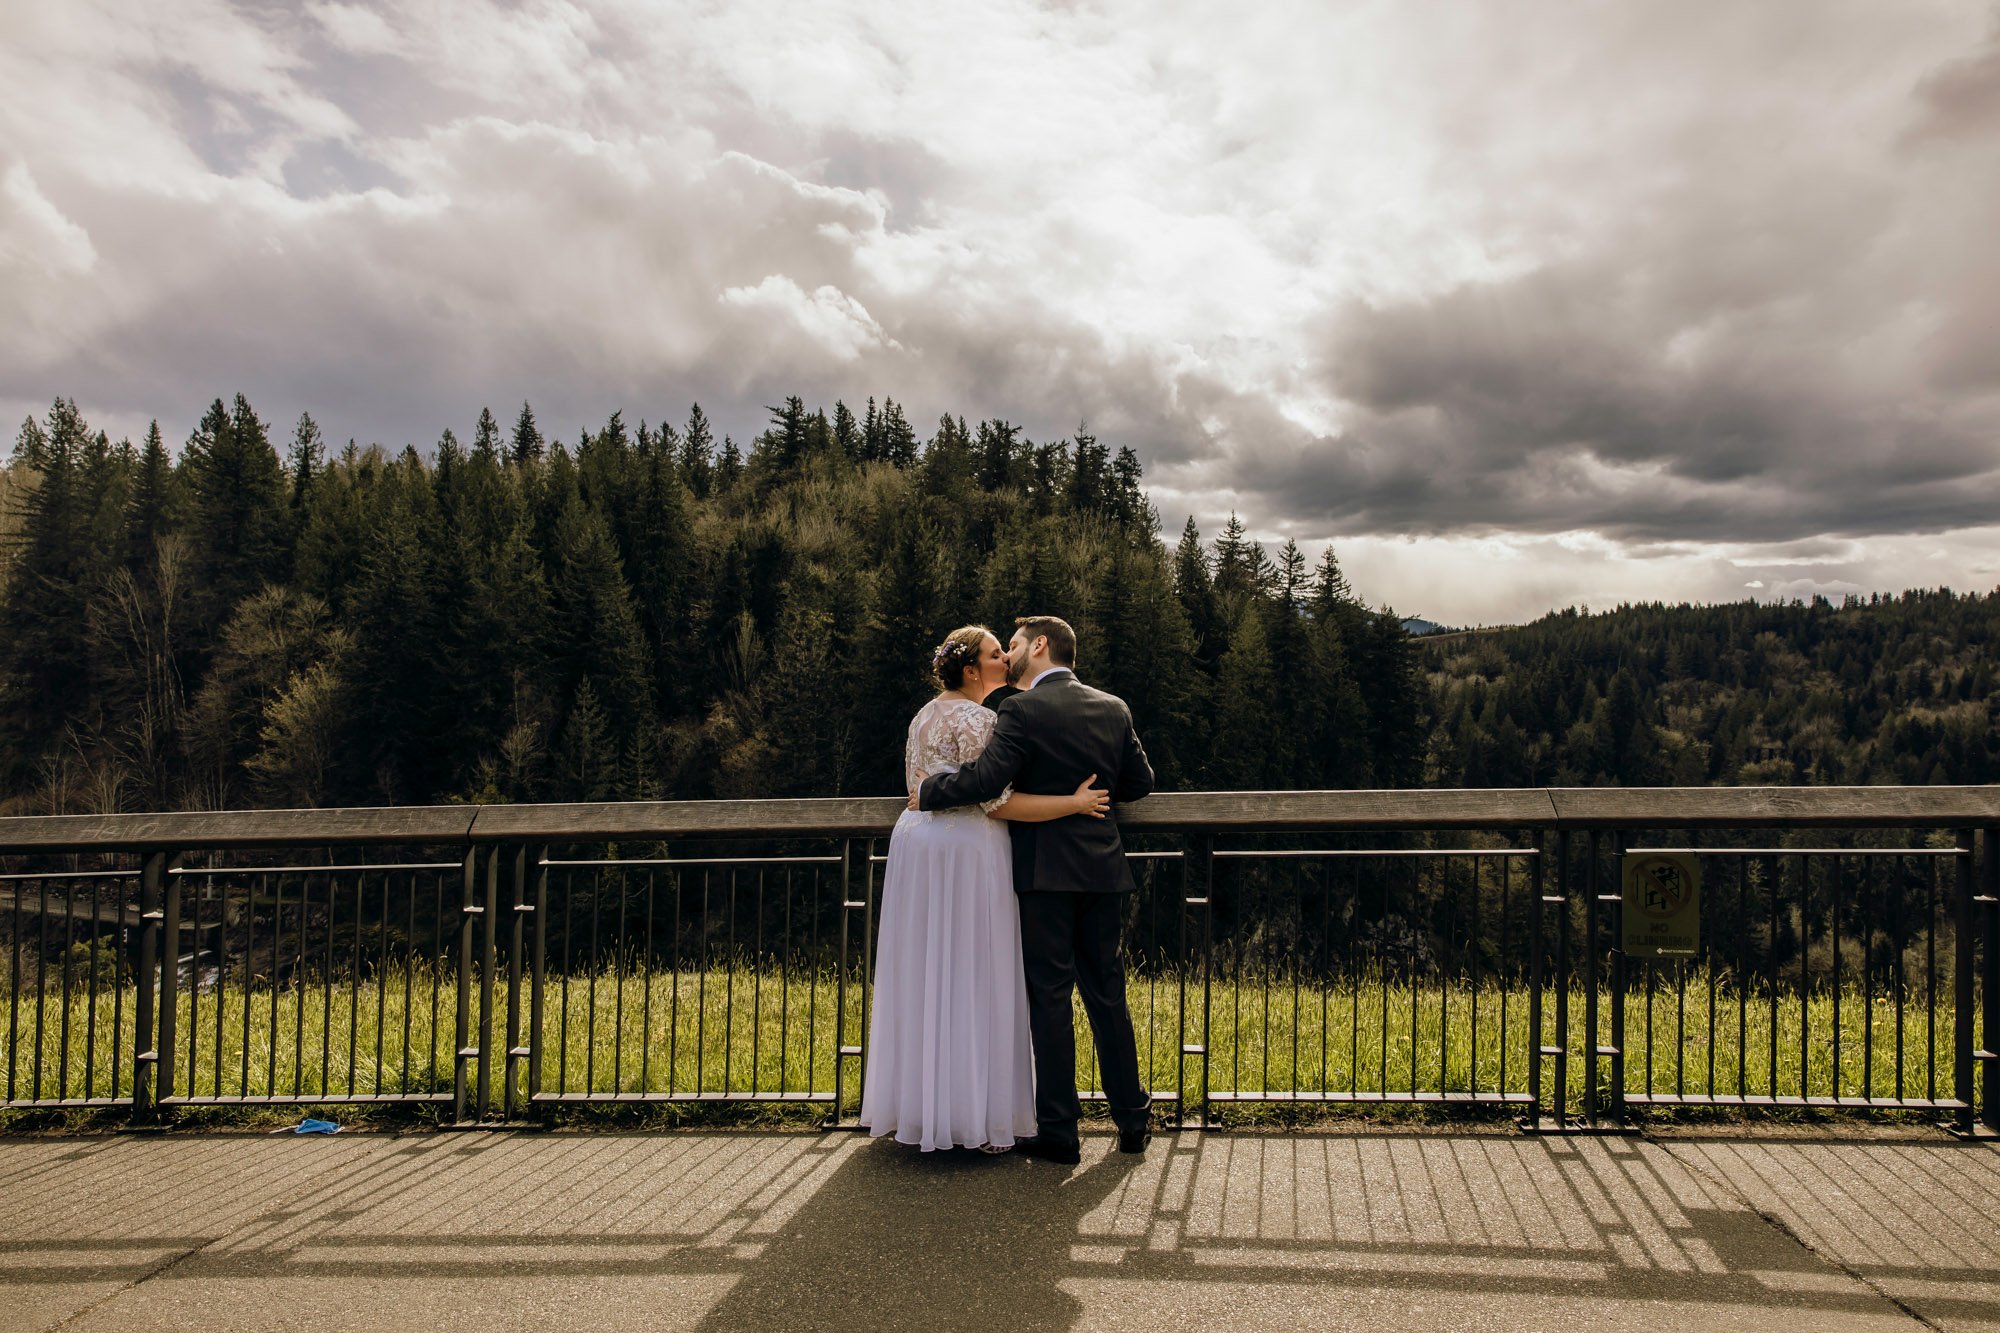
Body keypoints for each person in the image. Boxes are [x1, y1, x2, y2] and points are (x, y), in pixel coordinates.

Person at [860, 625, 1113, 1153]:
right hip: (968, 850)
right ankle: (976, 1116)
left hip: (918, 846)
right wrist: (1074, 803)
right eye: (997, 654)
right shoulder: (981, 718)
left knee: (927, 973)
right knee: (976, 973)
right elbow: (997, 802)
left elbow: (919, 787)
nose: (1007, 659)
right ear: (973, 670)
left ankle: (923, 1111)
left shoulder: (923, 715)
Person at [917, 615, 1156, 1164]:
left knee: (1050, 998)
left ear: (1041, 645)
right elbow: (1140, 783)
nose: (1012, 652)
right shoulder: (1113, 707)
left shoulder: (1020, 709)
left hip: (1045, 874)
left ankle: (1061, 1133)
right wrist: (1091, 791)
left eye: (1018, 643)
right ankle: (1131, 1120)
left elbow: (982, 782)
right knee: (1107, 994)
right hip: (1101, 870)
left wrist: (929, 791)